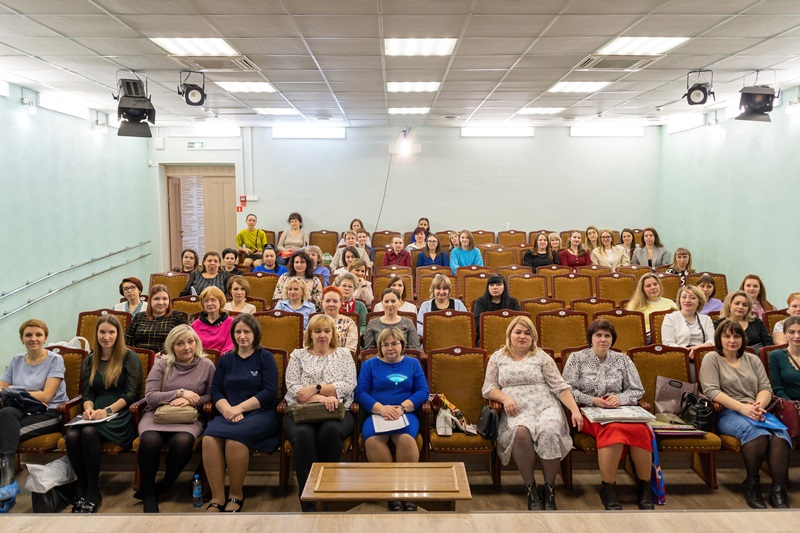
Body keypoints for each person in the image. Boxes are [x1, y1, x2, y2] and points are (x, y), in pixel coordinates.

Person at [482, 316, 582, 510]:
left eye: (527, 333)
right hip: (516, 409)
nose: (522, 336)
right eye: (518, 332)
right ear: (509, 335)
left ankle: (550, 489)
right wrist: (505, 399)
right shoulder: (497, 357)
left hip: (546, 406)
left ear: (533, 337)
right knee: (520, 433)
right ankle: (531, 488)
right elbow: (489, 388)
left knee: (549, 431)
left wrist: (575, 410)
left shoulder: (542, 357)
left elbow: (560, 387)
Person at [562, 320, 653, 511]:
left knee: (641, 429)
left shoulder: (623, 360)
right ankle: (609, 487)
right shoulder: (577, 358)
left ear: (612, 339)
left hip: (620, 409)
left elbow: (637, 390)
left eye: (607, 336)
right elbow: (566, 389)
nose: (603, 339)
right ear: (590, 339)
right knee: (613, 429)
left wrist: (620, 398)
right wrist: (593, 400)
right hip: (588, 411)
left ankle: (645, 487)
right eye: (598, 335)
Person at [699, 319, 791, 509]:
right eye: (727, 336)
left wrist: (757, 406)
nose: (732, 340)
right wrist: (743, 408)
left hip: (756, 409)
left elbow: (765, 388)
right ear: (719, 338)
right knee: (757, 434)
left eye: (736, 336)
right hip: (728, 412)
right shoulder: (711, 358)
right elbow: (711, 391)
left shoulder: (752, 359)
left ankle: (778, 490)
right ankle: (752, 484)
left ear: (743, 338)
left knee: (780, 436)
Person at [202, 314, 280, 512]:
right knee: (209, 439)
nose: (242, 336)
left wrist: (239, 409)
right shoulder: (226, 359)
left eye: (247, 331)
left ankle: (236, 494)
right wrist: (228, 409)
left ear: (255, 333)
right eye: (238, 332)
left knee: (235, 441)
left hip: (260, 413)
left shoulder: (265, 357)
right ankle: (217, 497)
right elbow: (216, 390)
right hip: (228, 412)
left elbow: (269, 392)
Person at [66, 315, 142, 513]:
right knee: (72, 435)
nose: (106, 337)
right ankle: (83, 488)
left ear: (118, 334)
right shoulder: (90, 359)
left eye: (111, 332)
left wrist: (107, 411)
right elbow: (87, 394)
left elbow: (131, 394)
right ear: (96, 333)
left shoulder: (129, 357)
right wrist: (88, 409)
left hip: (119, 413)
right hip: (95, 410)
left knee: (88, 432)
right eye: (102, 332)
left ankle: (92, 492)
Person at [136, 325, 215, 513]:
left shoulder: (206, 365)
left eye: (190, 341)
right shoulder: (162, 364)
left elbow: (211, 395)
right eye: (180, 343)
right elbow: (151, 397)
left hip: (189, 416)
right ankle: (149, 492)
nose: (187, 347)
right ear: (172, 346)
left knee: (182, 442)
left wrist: (190, 400)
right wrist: (179, 393)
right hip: (158, 415)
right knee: (149, 441)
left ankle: (166, 483)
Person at [284, 314, 357, 512]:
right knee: (303, 435)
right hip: (300, 412)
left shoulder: (344, 354)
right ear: (310, 334)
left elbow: (348, 385)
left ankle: (328, 497)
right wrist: (322, 398)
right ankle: (308, 502)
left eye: (326, 331)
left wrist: (315, 388)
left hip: (337, 412)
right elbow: (294, 388)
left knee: (329, 432)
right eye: (317, 331)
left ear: (333, 334)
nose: (322, 335)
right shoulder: (298, 355)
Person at [355, 328, 429, 512]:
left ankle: (407, 492)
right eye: (385, 344)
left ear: (402, 344)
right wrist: (381, 409)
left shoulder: (413, 363)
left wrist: (402, 407)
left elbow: (423, 391)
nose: (390, 348)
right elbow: (361, 392)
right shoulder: (369, 365)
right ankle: (391, 492)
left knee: (405, 439)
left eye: (394, 343)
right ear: (380, 347)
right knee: (373, 441)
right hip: (377, 413)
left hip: (405, 413)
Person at [0, 320, 68, 471]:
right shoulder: (17, 360)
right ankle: (7, 475)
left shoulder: (55, 360)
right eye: (28, 335)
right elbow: (1, 389)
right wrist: (22, 395)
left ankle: (6, 476)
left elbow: (46, 396)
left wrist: (14, 392)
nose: (33, 339)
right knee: (6, 412)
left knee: (6, 433)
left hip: (50, 412)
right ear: (21, 339)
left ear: (45, 338)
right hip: (22, 410)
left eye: (38, 335)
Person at [661, 285, 715, 365]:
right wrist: (687, 351)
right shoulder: (670, 318)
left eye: (692, 298)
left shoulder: (706, 319)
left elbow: (713, 340)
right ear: (679, 300)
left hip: (703, 357)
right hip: (679, 358)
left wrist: (697, 348)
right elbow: (668, 343)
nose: (687, 300)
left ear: (699, 302)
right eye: (684, 297)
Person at [125, 284, 187, 353]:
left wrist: (163, 354)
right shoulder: (139, 317)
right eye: (156, 299)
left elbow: (185, 343)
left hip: (167, 357)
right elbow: (126, 342)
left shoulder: (177, 316)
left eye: (165, 299)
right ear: (150, 300)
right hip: (139, 356)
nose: (161, 302)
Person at [626, 273, 676, 342]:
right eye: (648, 286)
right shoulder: (635, 305)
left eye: (655, 284)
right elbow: (631, 328)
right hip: (646, 340)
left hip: (671, 338)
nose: (653, 288)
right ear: (642, 289)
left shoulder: (670, 303)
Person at [473, 274, 521, 345]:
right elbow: (479, 323)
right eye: (491, 285)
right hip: (487, 337)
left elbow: (519, 320)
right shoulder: (481, 301)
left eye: (498, 285)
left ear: (504, 286)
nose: (495, 288)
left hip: (510, 337)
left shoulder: (513, 302)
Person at [192, 287, 234, 353]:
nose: (209, 303)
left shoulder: (230, 322)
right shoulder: (196, 324)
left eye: (213, 300)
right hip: (199, 358)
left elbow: (229, 347)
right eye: (206, 301)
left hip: (223, 358)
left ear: (220, 302)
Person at [321, 286, 358, 356]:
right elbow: (308, 346)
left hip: (342, 360)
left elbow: (350, 350)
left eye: (335, 301)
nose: (331, 304)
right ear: (322, 302)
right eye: (327, 301)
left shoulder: (349, 322)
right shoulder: (314, 321)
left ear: (340, 303)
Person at [770, 316, 800, 401]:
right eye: (791, 332)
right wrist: (794, 405)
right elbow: (778, 389)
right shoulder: (776, 356)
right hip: (792, 404)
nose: (797, 336)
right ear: (785, 333)